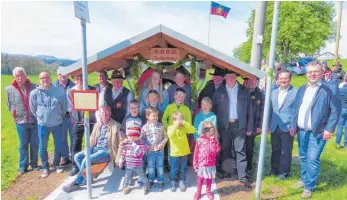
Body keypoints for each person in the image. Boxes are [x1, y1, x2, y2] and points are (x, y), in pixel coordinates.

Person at [290, 62, 339, 199]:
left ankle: (308, 187)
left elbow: (336, 111)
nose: (312, 74)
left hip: (318, 132)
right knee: (303, 157)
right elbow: (296, 108)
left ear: (322, 72)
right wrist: (293, 125)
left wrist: (329, 129)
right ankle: (304, 179)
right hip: (302, 130)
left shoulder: (329, 89)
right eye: (309, 71)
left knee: (312, 159)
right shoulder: (301, 89)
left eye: (315, 71)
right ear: (306, 74)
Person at [62, 105, 124, 193]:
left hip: (107, 152)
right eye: (103, 113)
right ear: (100, 114)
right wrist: (87, 150)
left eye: (107, 112)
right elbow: (91, 140)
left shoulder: (117, 125)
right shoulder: (97, 125)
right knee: (77, 156)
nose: (105, 114)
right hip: (96, 149)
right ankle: (88, 178)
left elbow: (122, 143)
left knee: (86, 160)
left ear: (110, 113)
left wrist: (118, 158)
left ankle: (76, 183)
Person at [212, 70, 253, 188]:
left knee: (240, 150)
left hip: (239, 125)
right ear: (224, 77)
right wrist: (215, 127)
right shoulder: (219, 91)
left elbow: (250, 110)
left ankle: (243, 176)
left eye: (233, 76)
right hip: (224, 125)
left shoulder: (244, 91)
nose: (230, 78)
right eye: (228, 76)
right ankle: (226, 172)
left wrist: (249, 126)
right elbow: (214, 110)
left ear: (236, 77)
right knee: (225, 149)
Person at [29, 72, 67, 178]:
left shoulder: (59, 91)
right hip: (42, 125)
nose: (44, 80)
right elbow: (33, 108)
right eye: (42, 78)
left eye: (46, 77)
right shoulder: (34, 93)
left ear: (50, 78)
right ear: (39, 79)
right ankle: (45, 167)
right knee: (42, 147)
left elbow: (64, 107)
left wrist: (59, 116)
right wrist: (40, 117)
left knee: (58, 145)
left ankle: (56, 164)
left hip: (57, 123)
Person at [5, 67, 39, 175]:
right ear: (14, 77)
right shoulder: (9, 89)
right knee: (23, 145)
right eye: (17, 76)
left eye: (22, 75)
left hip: (34, 120)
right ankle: (23, 166)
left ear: (25, 76)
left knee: (34, 144)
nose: (20, 78)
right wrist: (15, 114)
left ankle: (34, 164)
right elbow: (8, 105)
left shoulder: (35, 87)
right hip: (21, 122)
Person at [269, 70, 297, 180]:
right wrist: (268, 124)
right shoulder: (273, 92)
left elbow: (296, 111)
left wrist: (294, 126)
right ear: (278, 80)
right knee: (275, 149)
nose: (283, 80)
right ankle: (274, 169)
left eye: (286, 78)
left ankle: (284, 172)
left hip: (288, 127)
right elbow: (270, 110)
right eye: (281, 78)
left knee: (286, 150)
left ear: (289, 80)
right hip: (275, 125)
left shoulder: (295, 92)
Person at [67, 74, 97, 176]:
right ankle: (75, 166)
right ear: (74, 80)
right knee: (76, 144)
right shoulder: (70, 91)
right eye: (77, 78)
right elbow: (69, 106)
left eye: (81, 78)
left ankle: (92, 164)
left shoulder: (93, 89)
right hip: (78, 121)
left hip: (91, 121)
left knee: (92, 143)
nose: (79, 80)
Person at [141, 107, 167, 191]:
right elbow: (142, 139)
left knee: (160, 166)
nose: (156, 117)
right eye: (153, 115)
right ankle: (151, 180)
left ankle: (161, 181)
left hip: (159, 151)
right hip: (150, 151)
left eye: (157, 115)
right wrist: (147, 147)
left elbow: (165, 137)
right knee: (151, 167)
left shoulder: (161, 125)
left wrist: (162, 144)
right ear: (147, 116)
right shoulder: (144, 127)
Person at [167, 111, 195, 192]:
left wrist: (185, 123)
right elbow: (170, 135)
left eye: (181, 119)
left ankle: (181, 181)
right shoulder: (171, 127)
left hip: (184, 152)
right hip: (175, 153)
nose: (180, 121)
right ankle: (172, 181)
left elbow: (192, 130)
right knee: (174, 168)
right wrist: (176, 125)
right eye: (178, 120)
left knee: (183, 168)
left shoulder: (184, 127)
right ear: (173, 120)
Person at [193, 121, 221, 200]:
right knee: (200, 179)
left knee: (209, 179)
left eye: (211, 131)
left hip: (210, 164)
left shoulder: (214, 141)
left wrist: (213, 142)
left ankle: (208, 191)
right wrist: (195, 164)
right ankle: (198, 192)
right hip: (201, 164)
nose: (210, 133)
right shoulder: (200, 140)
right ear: (204, 131)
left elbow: (216, 150)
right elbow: (196, 153)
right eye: (208, 131)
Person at [53, 68, 76, 166]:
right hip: (59, 117)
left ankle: (74, 157)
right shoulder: (53, 86)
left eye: (65, 74)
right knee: (62, 138)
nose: (63, 76)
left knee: (74, 137)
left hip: (73, 116)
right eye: (60, 74)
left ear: (68, 75)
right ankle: (65, 157)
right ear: (57, 75)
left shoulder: (74, 86)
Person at [243, 77, 264, 176]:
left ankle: (248, 167)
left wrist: (260, 125)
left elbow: (262, 111)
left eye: (254, 80)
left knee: (249, 147)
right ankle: (240, 167)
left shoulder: (260, 94)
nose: (251, 83)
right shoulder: (241, 91)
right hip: (241, 125)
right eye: (249, 80)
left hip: (253, 126)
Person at [119, 126, 149, 195]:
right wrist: (121, 160)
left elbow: (141, 154)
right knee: (127, 177)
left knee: (142, 176)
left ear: (138, 136)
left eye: (135, 136)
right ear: (128, 136)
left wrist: (134, 145)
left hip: (138, 165)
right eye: (130, 136)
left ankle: (146, 185)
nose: (132, 138)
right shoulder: (126, 144)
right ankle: (125, 187)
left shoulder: (141, 144)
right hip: (128, 165)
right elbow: (124, 153)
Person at [336, 73, 347, 149]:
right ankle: (346, 144)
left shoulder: (341, 89)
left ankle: (338, 142)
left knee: (340, 126)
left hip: (342, 108)